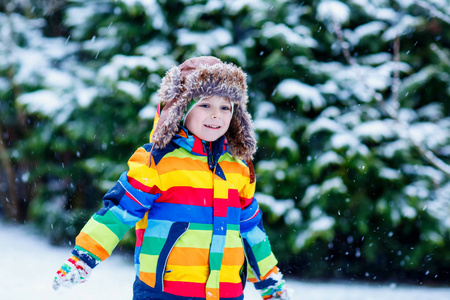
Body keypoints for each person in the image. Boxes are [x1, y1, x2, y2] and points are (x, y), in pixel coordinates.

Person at [53, 56, 291, 300]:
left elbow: (251, 229)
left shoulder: (238, 168)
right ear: (182, 107)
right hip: (165, 290)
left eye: (225, 107)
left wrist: (268, 279)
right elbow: (119, 212)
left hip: (226, 292)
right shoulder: (158, 161)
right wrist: (84, 257)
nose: (216, 115)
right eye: (205, 105)